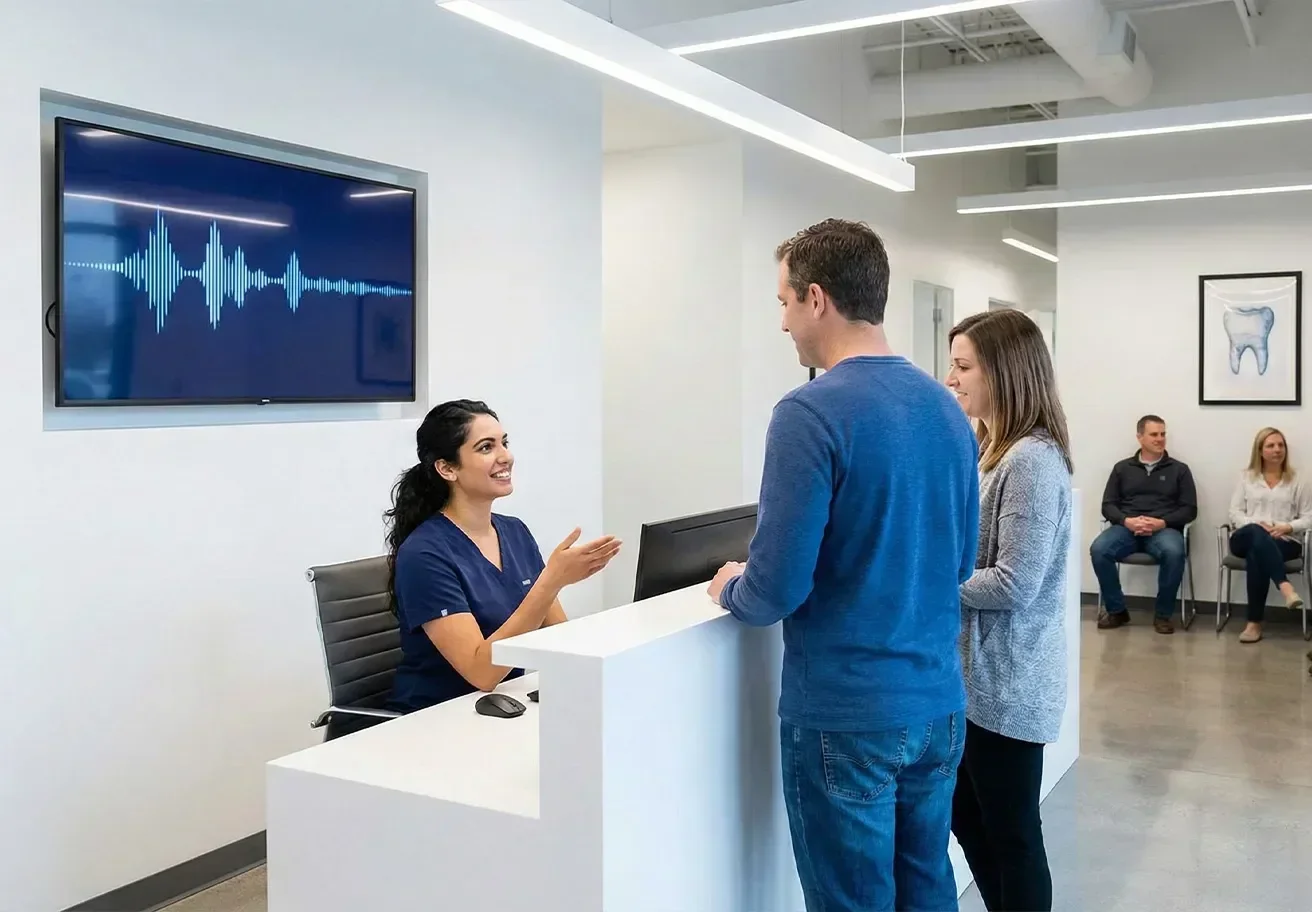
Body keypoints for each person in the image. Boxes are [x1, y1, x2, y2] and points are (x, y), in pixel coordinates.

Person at [706, 219, 980, 912]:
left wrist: (732, 587)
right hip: (938, 705)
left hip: (848, 714)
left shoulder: (808, 413)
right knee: (926, 890)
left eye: (784, 302)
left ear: (817, 298)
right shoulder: (947, 410)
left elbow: (776, 590)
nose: (782, 323)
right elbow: (958, 558)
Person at [944, 309, 1072, 912]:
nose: (952, 378)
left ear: (1003, 372)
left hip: (1009, 684)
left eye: (964, 366)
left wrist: (931, 581)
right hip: (979, 680)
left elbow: (1014, 583)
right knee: (972, 823)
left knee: (1013, 837)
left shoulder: (1031, 460)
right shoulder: (993, 448)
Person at [384, 400, 621, 713]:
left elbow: (559, 640)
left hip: (506, 705)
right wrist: (551, 581)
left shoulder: (514, 531)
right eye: (486, 447)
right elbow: (482, 672)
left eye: (504, 443)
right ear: (447, 468)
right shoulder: (424, 553)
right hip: (436, 717)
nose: (505, 456)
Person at [1090, 415, 1197, 635]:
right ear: (1140, 437)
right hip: (1127, 528)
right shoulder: (1122, 468)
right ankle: (1117, 610)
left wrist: (1162, 522)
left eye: (1163, 434)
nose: (1160, 439)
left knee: (1174, 552)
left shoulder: (1180, 470)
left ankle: (1163, 615)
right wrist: (1126, 521)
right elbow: (1108, 505)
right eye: (1154, 434)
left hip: (1163, 529)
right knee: (1099, 549)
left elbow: (1189, 510)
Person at [1226, 427, 1309, 644]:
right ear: (1260, 450)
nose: (1277, 450)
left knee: (1257, 553)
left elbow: (1309, 517)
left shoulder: (1299, 480)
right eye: (1271, 445)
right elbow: (1235, 512)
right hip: (1245, 536)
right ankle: (1284, 585)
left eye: (1281, 445)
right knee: (1256, 534)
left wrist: (1287, 527)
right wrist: (1258, 526)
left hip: (1285, 540)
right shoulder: (1246, 478)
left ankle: (1254, 623)